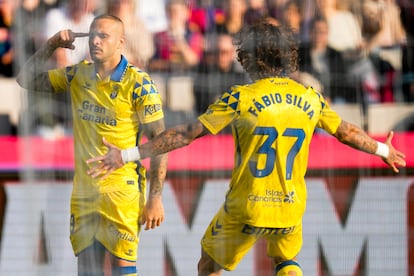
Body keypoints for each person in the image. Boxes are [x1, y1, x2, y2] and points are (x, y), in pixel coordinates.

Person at [86, 21, 406, 276]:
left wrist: (127, 154)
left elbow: (185, 134)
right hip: (290, 206)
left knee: (208, 266)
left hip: (247, 206)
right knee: (286, 260)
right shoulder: (311, 97)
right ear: (286, 57)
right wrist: (382, 150)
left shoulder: (241, 97)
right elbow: (347, 132)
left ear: (251, 57)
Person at [16, 14, 168, 276]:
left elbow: (161, 141)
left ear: (121, 42)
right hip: (85, 193)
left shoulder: (139, 84)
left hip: (122, 192)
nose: (95, 41)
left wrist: (155, 198)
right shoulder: (78, 74)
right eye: (92, 35)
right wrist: (52, 45)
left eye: (103, 36)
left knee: (124, 271)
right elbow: (25, 79)